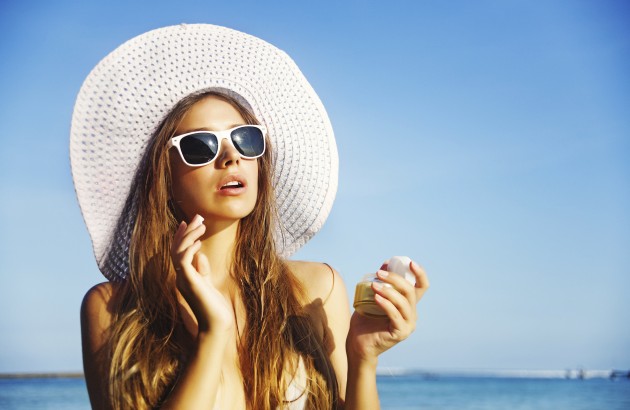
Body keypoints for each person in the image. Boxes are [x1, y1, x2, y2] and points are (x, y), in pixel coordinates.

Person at [72, 24, 429, 409]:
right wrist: (214, 333)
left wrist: (363, 358)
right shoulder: (112, 309)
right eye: (200, 146)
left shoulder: (315, 288)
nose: (231, 158)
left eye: (245, 138)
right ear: (166, 178)